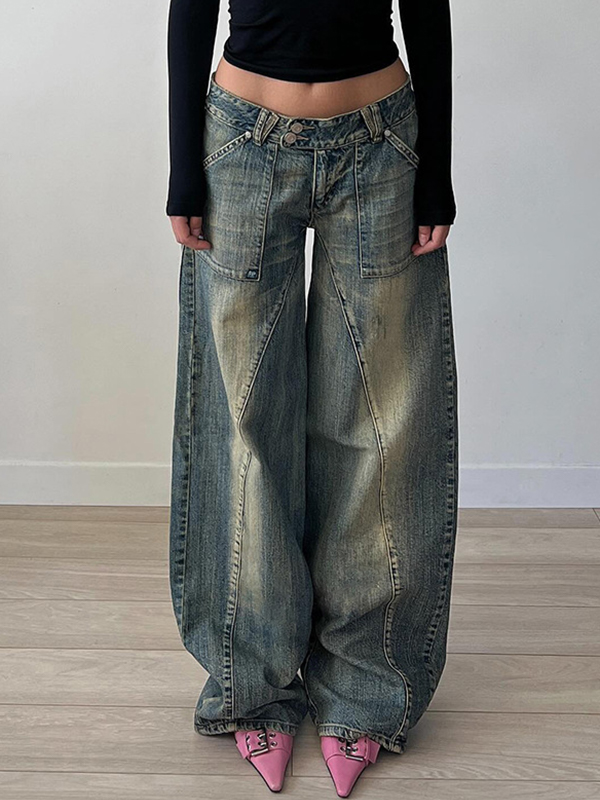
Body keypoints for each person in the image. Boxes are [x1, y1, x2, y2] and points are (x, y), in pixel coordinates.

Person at [166, 0, 459, 796]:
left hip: (381, 143)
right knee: (243, 422)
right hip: (240, 142)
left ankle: (366, 690)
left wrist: (436, 170)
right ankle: (252, 683)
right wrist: (184, 165)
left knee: (380, 427)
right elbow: (191, 5)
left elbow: (426, 7)